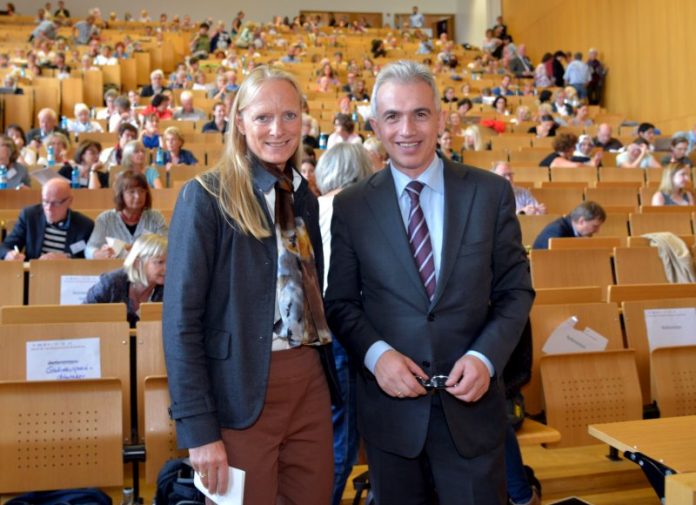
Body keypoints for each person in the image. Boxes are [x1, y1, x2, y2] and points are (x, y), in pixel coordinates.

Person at [324, 60, 534, 505]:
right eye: (393, 117)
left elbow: (515, 293)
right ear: (376, 126)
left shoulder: (490, 193)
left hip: (474, 413)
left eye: (420, 114)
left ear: (440, 118)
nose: (407, 129)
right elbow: (340, 302)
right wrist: (378, 357)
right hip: (391, 418)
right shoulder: (352, 206)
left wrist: (485, 357)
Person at [162, 65, 337, 504]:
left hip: (309, 382)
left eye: (290, 115)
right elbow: (181, 322)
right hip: (239, 391)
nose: (278, 129)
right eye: (262, 117)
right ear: (239, 122)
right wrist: (199, 431)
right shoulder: (205, 196)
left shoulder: (303, 197)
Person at [313, 143, 372, 505]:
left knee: (332, 430)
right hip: (349, 329)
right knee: (343, 437)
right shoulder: (362, 209)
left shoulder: (311, 208)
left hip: (316, 330)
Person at [1, 178, 94, 260]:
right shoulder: (30, 216)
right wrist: (9, 254)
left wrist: (67, 258)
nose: (49, 208)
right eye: (45, 201)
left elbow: (88, 258)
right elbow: (5, 247)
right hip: (34, 274)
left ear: (69, 201)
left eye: (56, 203)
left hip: (67, 276)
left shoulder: (85, 225)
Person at [85, 233, 166, 327]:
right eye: (160, 262)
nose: (167, 268)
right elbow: (82, 316)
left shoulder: (170, 288)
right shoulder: (111, 283)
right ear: (137, 263)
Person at [86, 170, 167, 259]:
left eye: (141, 191)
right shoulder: (105, 219)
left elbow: (167, 246)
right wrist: (97, 253)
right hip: (114, 269)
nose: (138, 196)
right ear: (121, 195)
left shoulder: (156, 217)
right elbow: (89, 249)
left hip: (146, 271)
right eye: (132, 192)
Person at [532, 201, 606, 249]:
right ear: (581, 221)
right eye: (595, 226)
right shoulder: (557, 231)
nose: (597, 231)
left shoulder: (570, 228)